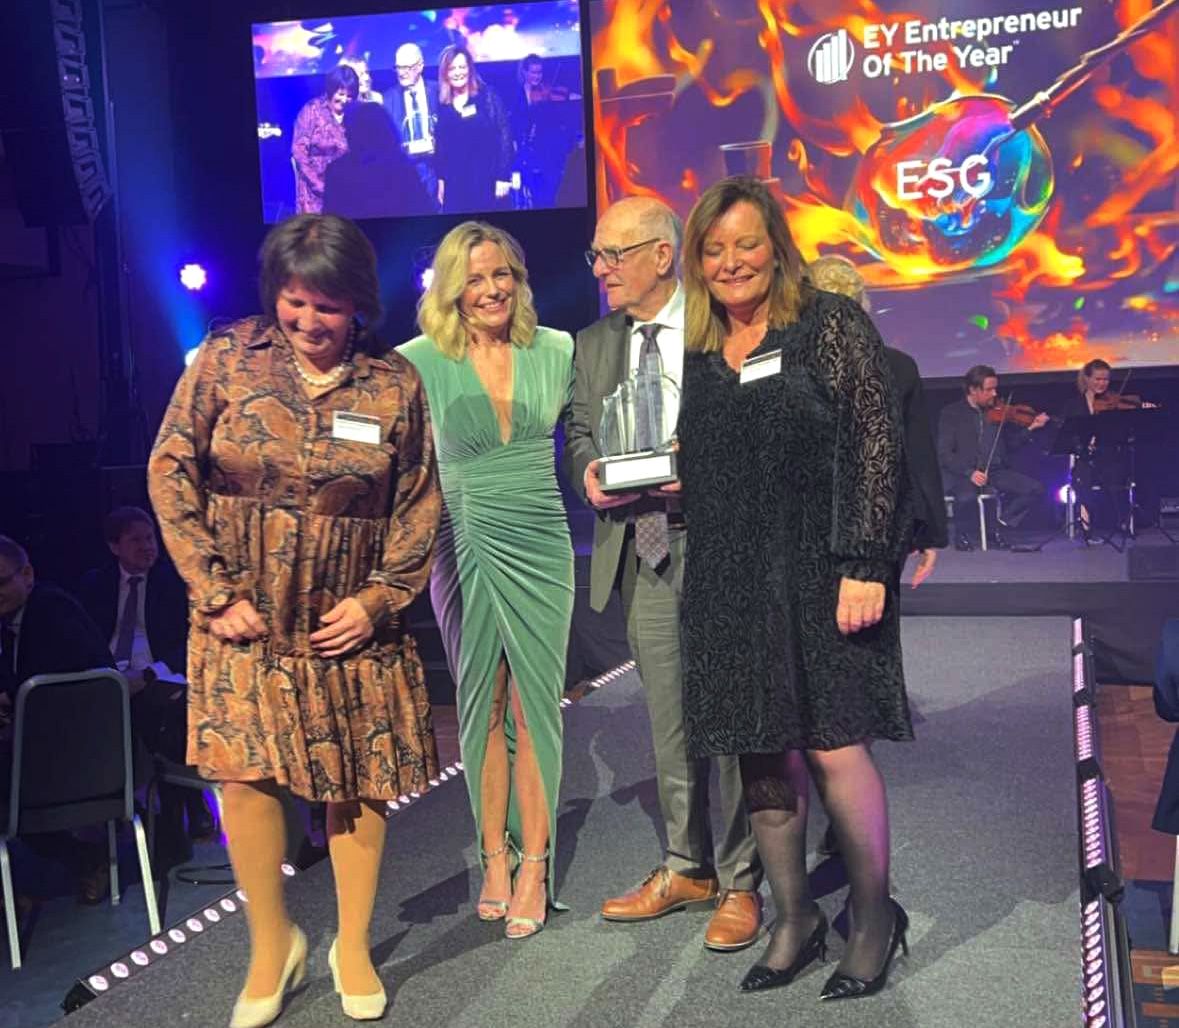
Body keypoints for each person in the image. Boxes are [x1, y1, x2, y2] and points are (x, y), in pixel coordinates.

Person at [148, 213, 441, 1027]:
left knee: (356, 784)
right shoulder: (225, 358)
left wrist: (378, 599)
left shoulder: (393, 384)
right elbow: (170, 472)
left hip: (345, 624)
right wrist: (212, 590)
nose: (309, 321)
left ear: (359, 305)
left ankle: (353, 944)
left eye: (328, 306)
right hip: (240, 619)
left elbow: (418, 502)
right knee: (242, 778)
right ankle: (271, 945)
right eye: (295, 301)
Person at [675, 175, 912, 999]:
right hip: (730, 576)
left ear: (775, 247)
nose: (730, 262)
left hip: (824, 569)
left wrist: (865, 563)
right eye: (713, 249)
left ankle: (873, 921)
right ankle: (794, 918)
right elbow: (710, 459)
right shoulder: (700, 349)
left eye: (745, 243)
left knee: (833, 745)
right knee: (761, 750)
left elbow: (876, 443)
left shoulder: (828, 324)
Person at [562, 196, 763, 953]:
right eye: (595, 255)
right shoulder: (593, 342)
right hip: (639, 548)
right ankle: (687, 866)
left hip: (717, 541)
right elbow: (579, 429)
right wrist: (588, 471)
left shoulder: (720, 322)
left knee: (730, 717)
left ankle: (742, 879)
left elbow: (757, 426)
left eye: (613, 255)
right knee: (669, 721)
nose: (600, 270)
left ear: (660, 255)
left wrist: (703, 468)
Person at [399, 222, 573, 939]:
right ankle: (493, 858)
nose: (491, 289)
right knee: (482, 701)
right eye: (474, 278)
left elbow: (589, 438)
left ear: (518, 279)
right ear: (450, 289)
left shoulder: (556, 349)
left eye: (501, 274)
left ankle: (535, 865)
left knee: (536, 705)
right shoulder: (415, 362)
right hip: (461, 538)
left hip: (542, 539)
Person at [77, 506, 215, 859]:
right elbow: (85, 641)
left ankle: (181, 807)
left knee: (162, 710)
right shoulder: (95, 584)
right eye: (135, 540)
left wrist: (148, 674)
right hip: (111, 677)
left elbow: (191, 641)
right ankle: (116, 810)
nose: (147, 546)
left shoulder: (174, 581)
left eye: (150, 537)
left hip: (160, 673)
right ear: (114, 546)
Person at [807, 256, 947, 584]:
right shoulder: (898, 366)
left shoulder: (784, 367)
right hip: (879, 527)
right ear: (862, 305)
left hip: (806, 528)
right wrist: (928, 531)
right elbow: (918, 455)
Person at [0, 534, 117, 903]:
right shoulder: (11, 621)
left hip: (79, 758)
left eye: (1, 582)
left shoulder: (53, 612)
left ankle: (78, 860)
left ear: (27, 575)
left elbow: (59, 690)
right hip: (41, 750)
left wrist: (11, 700)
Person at [938, 365, 1049, 550]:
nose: (994, 394)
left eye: (995, 389)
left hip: (995, 471)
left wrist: (1031, 428)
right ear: (973, 390)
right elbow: (944, 453)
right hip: (964, 473)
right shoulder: (952, 413)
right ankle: (961, 535)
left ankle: (998, 525)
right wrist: (969, 472)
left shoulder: (998, 413)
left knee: (1035, 489)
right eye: (989, 390)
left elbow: (1010, 445)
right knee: (966, 497)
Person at [433, 44, 513, 213]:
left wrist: (503, 176)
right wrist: (441, 180)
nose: (458, 72)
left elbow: (504, 135)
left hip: (486, 181)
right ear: (445, 73)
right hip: (455, 184)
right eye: (452, 68)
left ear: (470, 69)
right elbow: (441, 147)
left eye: (462, 67)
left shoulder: (487, 96)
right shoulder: (442, 104)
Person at [322, 100, 432, 219]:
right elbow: (425, 211)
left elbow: (330, 222)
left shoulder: (337, 172)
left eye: (348, 128)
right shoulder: (402, 168)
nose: (345, 133)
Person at [291, 64, 359, 214]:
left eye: (349, 95)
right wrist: (319, 185)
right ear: (331, 90)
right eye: (341, 94)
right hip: (315, 189)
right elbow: (299, 151)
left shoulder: (357, 113)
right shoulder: (312, 110)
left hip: (349, 187)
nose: (345, 100)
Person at [382, 42, 439, 207]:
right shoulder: (388, 99)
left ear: (420, 66)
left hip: (436, 169)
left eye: (407, 67)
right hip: (404, 175)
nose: (402, 73)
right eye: (398, 67)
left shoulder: (438, 91)